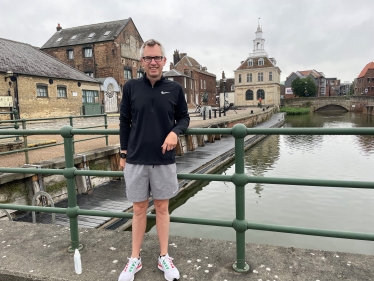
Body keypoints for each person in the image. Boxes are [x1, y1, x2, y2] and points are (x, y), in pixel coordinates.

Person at [118, 39, 190, 281]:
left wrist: (174, 132)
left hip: (163, 159)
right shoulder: (130, 87)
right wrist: (123, 153)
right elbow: (124, 122)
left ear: (164, 61)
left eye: (157, 57)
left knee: (162, 208)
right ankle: (134, 259)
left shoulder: (175, 89)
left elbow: (184, 118)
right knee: (138, 210)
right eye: (148, 58)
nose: (153, 62)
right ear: (142, 61)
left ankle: (163, 257)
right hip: (136, 159)